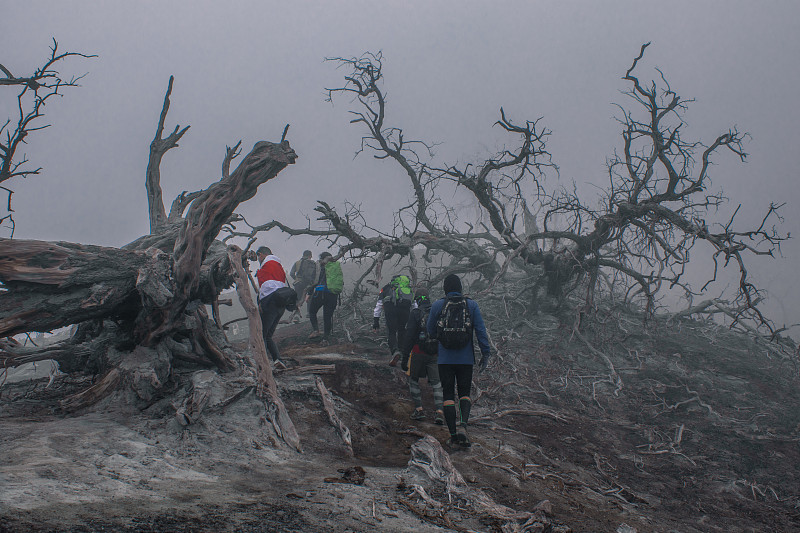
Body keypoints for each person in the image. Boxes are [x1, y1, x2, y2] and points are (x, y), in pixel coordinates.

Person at [427, 273, 491, 448]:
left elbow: (430, 329)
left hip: (445, 359)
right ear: (461, 288)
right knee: (464, 393)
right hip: (466, 359)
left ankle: (453, 436)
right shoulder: (471, 305)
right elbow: (480, 331)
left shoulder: (438, 305)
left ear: (445, 289)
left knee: (448, 395)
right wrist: (485, 353)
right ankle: (463, 426)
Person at [399, 286, 444, 424]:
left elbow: (409, 336)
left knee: (413, 380)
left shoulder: (415, 313)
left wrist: (405, 356)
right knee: (437, 383)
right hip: (435, 353)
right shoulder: (438, 312)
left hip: (418, 352)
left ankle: (419, 410)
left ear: (417, 299)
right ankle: (439, 413)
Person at [254, 246, 289, 368]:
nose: (258, 259)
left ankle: (262, 363)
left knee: (262, 334)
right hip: (281, 304)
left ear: (261, 254)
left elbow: (265, 288)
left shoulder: (266, 265)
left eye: (258, 256)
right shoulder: (279, 266)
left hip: (270, 303)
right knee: (268, 335)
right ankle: (277, 360)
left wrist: (261, 303)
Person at [372, 274, 413, 365]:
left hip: (390, 309)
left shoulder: (386, 288)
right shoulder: (408, 289)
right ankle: (402, 353)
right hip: (405, 310)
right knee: (402, 330)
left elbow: (378, 305)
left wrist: (376, 320)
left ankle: (395, 351)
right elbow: (414, 304)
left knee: (391, 331)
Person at [307, 251, 343, 343]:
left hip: (320, 292)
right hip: (333, 294)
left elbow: (313, 280)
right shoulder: (336, 266)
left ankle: (316, 331)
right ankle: (326, 336)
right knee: (327, 316)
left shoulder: (320, 266)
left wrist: (309, 293)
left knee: (312, 311)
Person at [289, 250, 318, 323]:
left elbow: (291, 273)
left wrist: (296, 279)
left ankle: (296, 316)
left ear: (303, 255)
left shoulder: (297, 263)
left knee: (298, 299)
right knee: (310, 297)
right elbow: (316, 274)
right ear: (310, 256)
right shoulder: (313, 263)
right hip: (309, 283)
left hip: (299, 283)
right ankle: (309, 313)